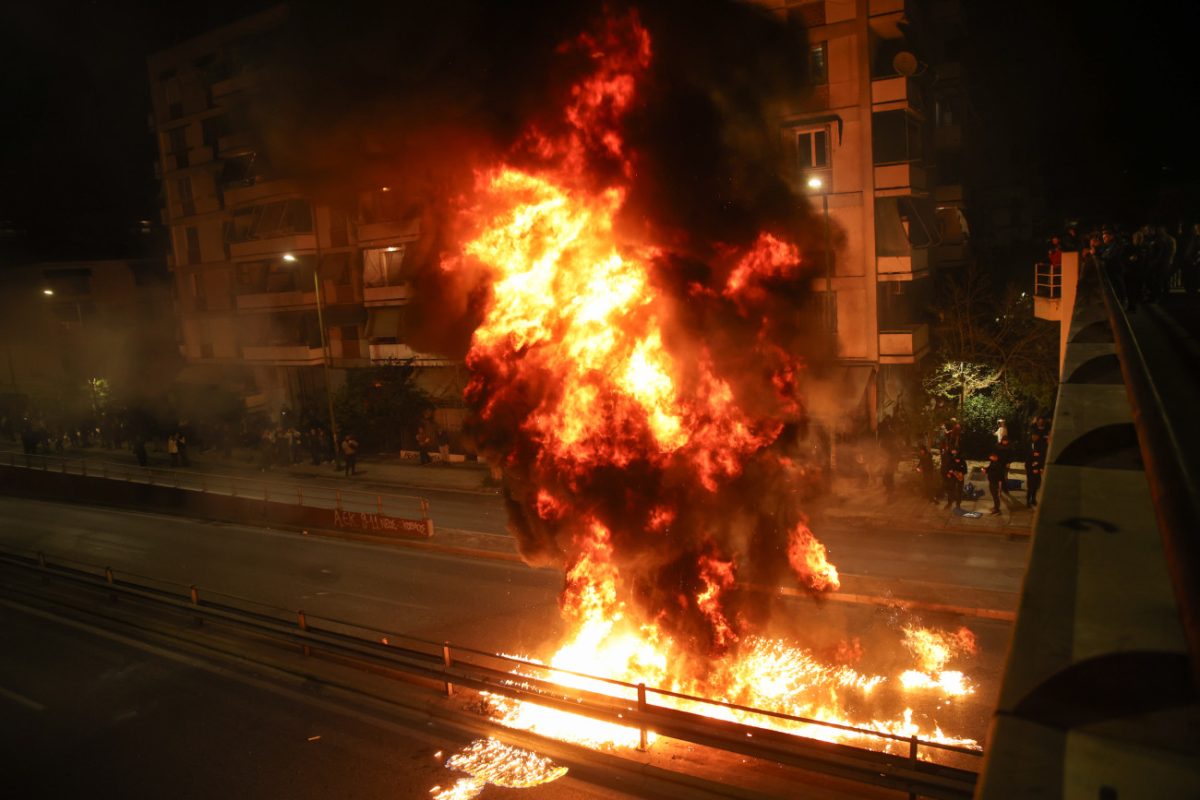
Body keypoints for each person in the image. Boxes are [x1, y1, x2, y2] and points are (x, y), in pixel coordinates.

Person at [1026, 433, 1045, 508]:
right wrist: (1032, 470)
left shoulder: (1039, 456)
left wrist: (1040, 469)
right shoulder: (1030, 456)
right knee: (1030, 487)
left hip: (1037, 474)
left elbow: (1040, 463)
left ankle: (1033, 500)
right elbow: (1027, 465)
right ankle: (1028, 501)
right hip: (1031, 474)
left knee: (1036, 487)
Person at [985, 448, 1005, 515]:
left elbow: (1000, 474)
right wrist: (986, 470)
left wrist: (1000, 483)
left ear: (995, 457)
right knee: (993, 495)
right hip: (991, 481)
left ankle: (997, 510)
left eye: (991, 457)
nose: (990, 458)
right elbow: (990, 468)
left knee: (996, 496)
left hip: (996, 482)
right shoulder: (992, 462)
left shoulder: (999, 464)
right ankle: (995, 507)